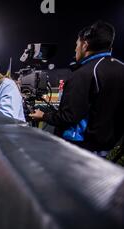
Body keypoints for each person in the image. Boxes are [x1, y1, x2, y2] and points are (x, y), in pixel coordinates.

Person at [30, 20, 124, 156]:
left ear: (85, 45)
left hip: (79, 150)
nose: (75, 49)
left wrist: (43, 115)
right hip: (108, 150)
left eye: (77, 44)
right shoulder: (120, 67)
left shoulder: (84, 73)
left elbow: (68, 117)